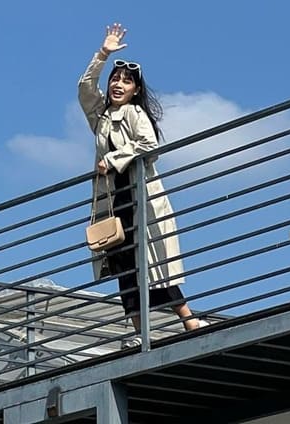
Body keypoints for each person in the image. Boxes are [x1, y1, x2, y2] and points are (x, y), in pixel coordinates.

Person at [78, 21, 207, 344]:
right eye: (115, 80)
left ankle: (189, 319)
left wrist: (115, 157)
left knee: (153, 263)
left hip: (141, 201)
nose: (119, 85)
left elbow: (149, 145)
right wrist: (103, 54)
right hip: (114, 202)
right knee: (124, 268)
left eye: (126, 81)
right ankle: (140, 332)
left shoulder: (135, 114)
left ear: (136, 89)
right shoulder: (102, 116)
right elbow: (84, 87)